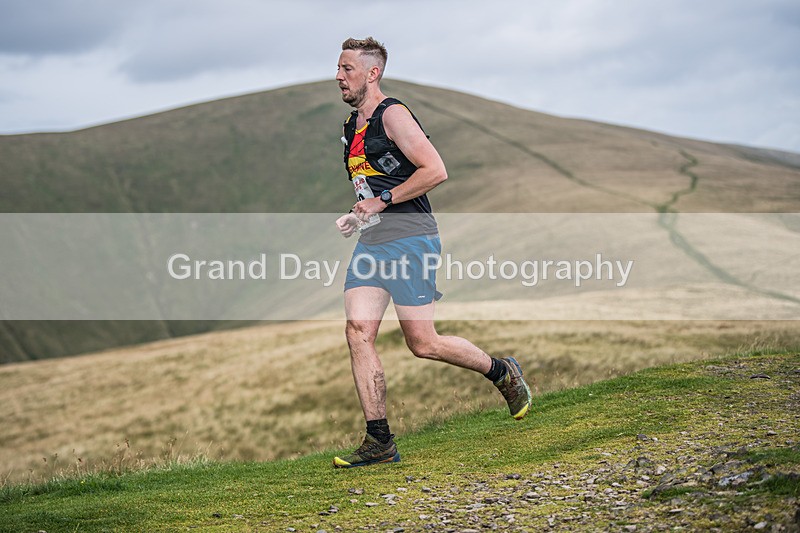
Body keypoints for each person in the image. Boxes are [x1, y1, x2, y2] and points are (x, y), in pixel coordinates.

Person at [332, 37, 533, 468]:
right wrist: (359, 214)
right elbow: (373, 187)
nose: (339, 76)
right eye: (338, 68)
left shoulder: (394, 115)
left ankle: (501, 370)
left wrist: (382, 204)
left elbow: (435, 170)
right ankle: (379, 441)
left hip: (411, 237)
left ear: (373, 73)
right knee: (357, 331)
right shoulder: (352, 127)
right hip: (374, 241)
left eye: (347, 68)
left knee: (422, 343)